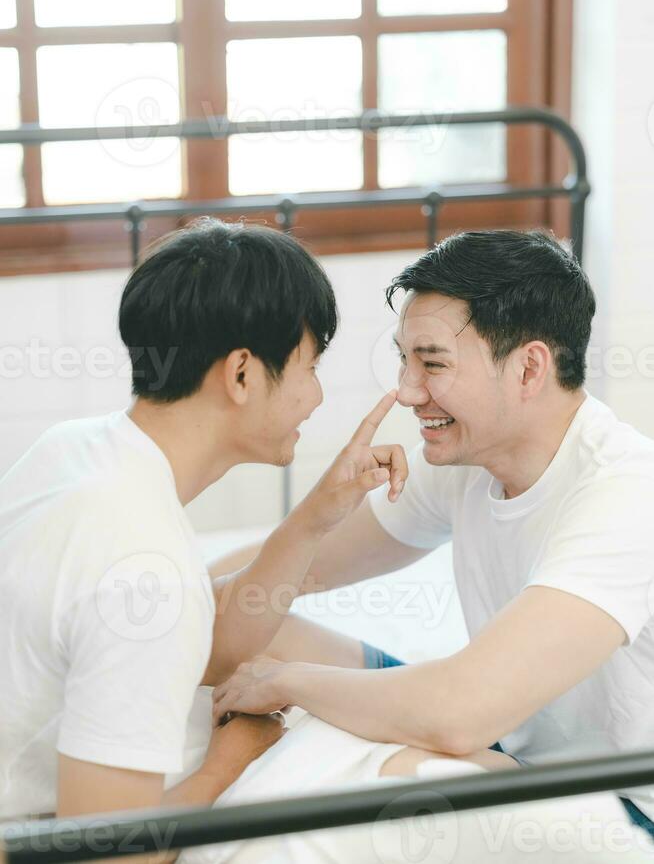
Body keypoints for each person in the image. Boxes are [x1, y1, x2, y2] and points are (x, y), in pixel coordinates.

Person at [212, 230, 654, 837]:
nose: (408, 391)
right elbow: (284, 578)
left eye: (433, 363)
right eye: (404, 358)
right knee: (260, 626)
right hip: (511, 742)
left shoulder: (625, 493)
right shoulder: (468, 457)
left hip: (628, 807)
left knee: (408, 774)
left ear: (528, 368)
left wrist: (290, 684)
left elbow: (459, 715)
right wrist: (173, 592)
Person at [0, 218, 407, 824]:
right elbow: (105, 856)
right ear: (242, 373)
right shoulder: (142, 567)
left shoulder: (75, 448)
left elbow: (201, 641)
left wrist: (315, 518)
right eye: (311, 367)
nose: (317, 398)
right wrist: (229, 762)